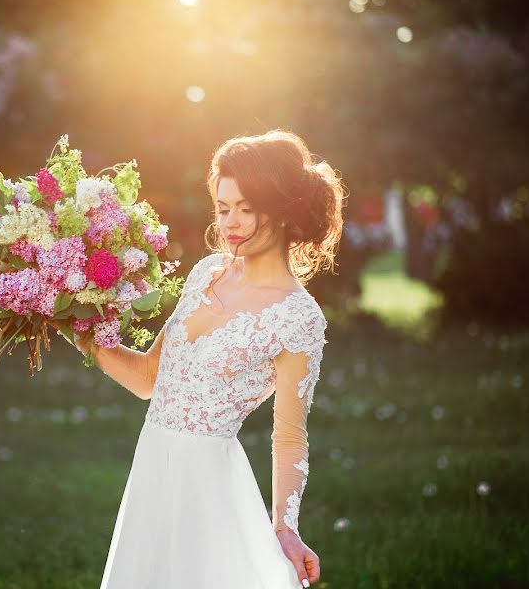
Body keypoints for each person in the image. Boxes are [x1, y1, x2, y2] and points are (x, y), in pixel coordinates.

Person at [63, 129, 344, 588]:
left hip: (208, 485)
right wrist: (71, 323)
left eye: (246, 209)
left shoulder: (297, 317)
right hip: (153, 469)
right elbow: (149, 378)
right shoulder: (205, 274)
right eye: (223, 207)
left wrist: (285, 526)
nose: (231, 222)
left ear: (282, 210)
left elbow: (289, 437)